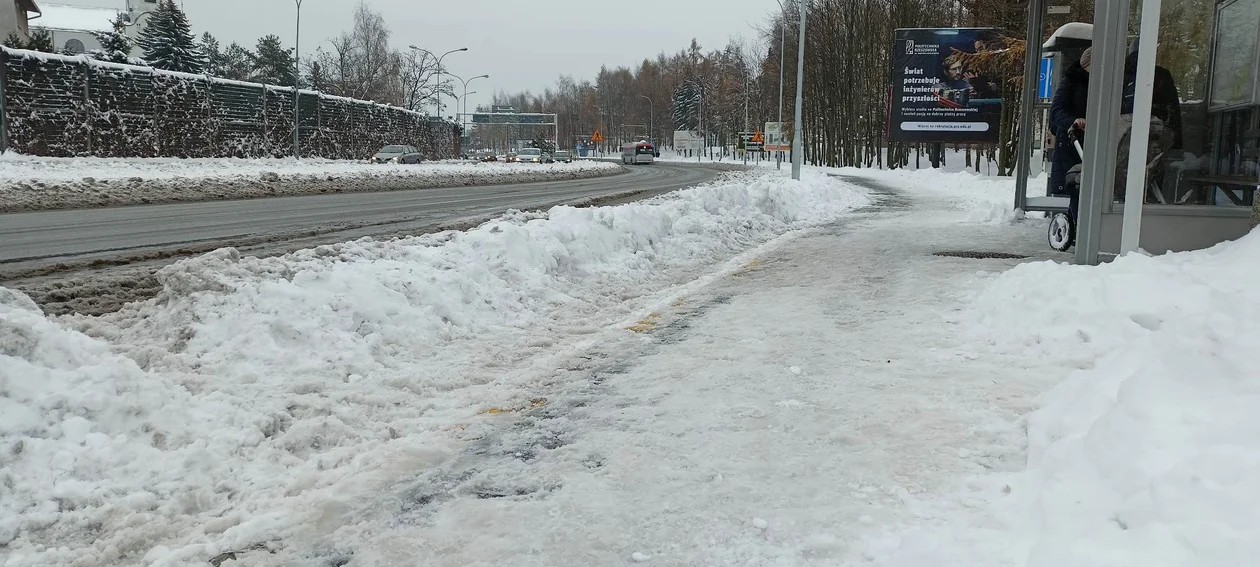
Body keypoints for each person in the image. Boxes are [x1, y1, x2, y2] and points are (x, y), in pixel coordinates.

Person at [1049, 47, 1091, 220]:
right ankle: (1078, 224)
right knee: (1078, 186)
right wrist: (1074, 121)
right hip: (1074, 142)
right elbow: (1056, 111)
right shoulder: (1071, 82)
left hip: (1097, 142)